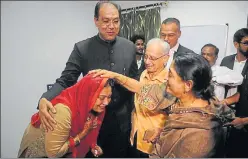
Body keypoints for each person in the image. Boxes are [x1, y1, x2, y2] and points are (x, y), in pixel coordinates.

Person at [37, 1, 138, 158]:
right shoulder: (82, 48)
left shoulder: (129, 47)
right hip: (92, 123)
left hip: (121, 123)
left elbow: (134, 82)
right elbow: (65, 80)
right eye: (105, 21)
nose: (111, 26)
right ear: (96, 21)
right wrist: (44, 98)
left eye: (116, 21)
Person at [90, 53, 231, 157]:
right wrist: (114, 75)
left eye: (170, 75)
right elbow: (142, 89)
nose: (166, 79)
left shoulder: (199, 137)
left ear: (188, 85)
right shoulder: (181, 98)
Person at [18, 74, 112, 158]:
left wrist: (92, 145)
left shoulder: (94, 107)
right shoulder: (63, 112)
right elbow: (54, 153)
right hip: (40, 152)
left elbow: (91, 131)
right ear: (88, 94)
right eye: (102, 97)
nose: (106, 102)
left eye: (109, 97)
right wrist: (82, 134)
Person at [224, 28, 248, 158]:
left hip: (244, 120)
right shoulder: (226, 61)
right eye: (246, 43)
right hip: (225, 115)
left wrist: (244, 121)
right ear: (236, 44)